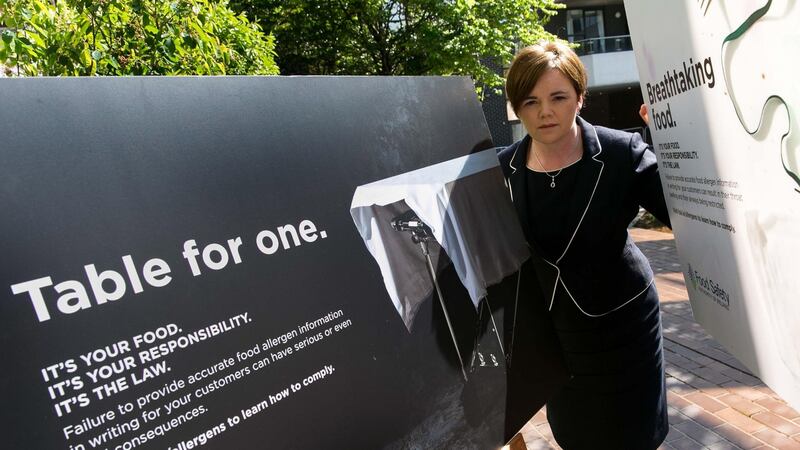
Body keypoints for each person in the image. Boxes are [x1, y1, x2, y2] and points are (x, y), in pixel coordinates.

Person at [498, 40, 671, 449]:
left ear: (579, 96)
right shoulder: (503, 168)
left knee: (633, 436)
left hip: (624, 329)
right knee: (576, 436)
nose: (544, 111)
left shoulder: (620, 152)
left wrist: (673, 145)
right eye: (530, 101)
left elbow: (684, 213)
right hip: (559, 339)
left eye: (558, 97)